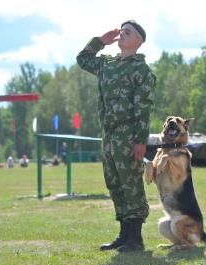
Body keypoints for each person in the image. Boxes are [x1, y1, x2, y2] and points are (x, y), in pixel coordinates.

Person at [77, 20, 155, 252]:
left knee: (131, 183)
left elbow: (144, 108)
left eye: (127, 32)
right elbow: (83, 60)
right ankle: (123, 235)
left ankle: (135, 238)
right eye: (121, 30)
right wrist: (100, 41)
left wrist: (140, 141)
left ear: (138, 41)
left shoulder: (141, 70)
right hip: (109, 134)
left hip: (129, 136)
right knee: (115, 183)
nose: (122, 34)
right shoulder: (107, 64)